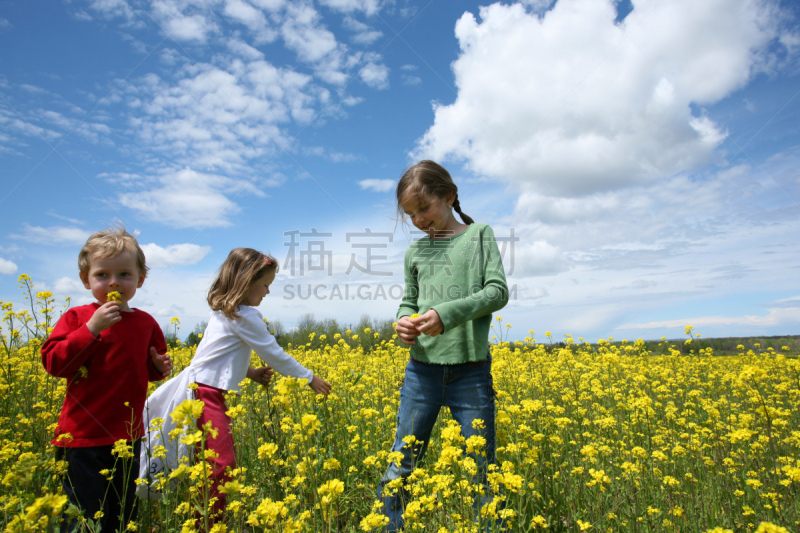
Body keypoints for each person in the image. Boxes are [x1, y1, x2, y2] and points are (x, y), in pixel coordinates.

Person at [377, 160, 509, 531]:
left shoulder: (479, 235)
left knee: (482, 470)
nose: (419, 219)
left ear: (449, 196)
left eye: (425, 208)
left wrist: (445, 313)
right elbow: (409, 300)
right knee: (402, 465)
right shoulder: (415, 253)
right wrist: (404, 320)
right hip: (421, 372)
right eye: (410, 214)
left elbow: (497, 292)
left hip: (470, 372)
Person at [173, 248, 332, 521]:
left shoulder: (226, 313)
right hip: (205, 395)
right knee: (223, 465)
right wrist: (309, 378)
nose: (268, 292)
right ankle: (206, 524)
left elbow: (214, 357)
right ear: (246, 281)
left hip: (200, 390)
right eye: (266, 285)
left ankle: (201, 519)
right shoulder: (244, 316)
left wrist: (250, 373)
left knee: (205, 464)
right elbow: (275, 355)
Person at [41, 226, 173, 532]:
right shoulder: (76, 318)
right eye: (102, 275)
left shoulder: (146, 323)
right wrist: (90, 330)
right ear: (86, 280)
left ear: (140, 279)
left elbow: (150, 373)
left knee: (121, 513)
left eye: (125, 274)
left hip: (128, 437)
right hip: (81, 438)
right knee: (82, 517)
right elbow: (54, 363)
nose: (113, 282)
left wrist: (158, 366)